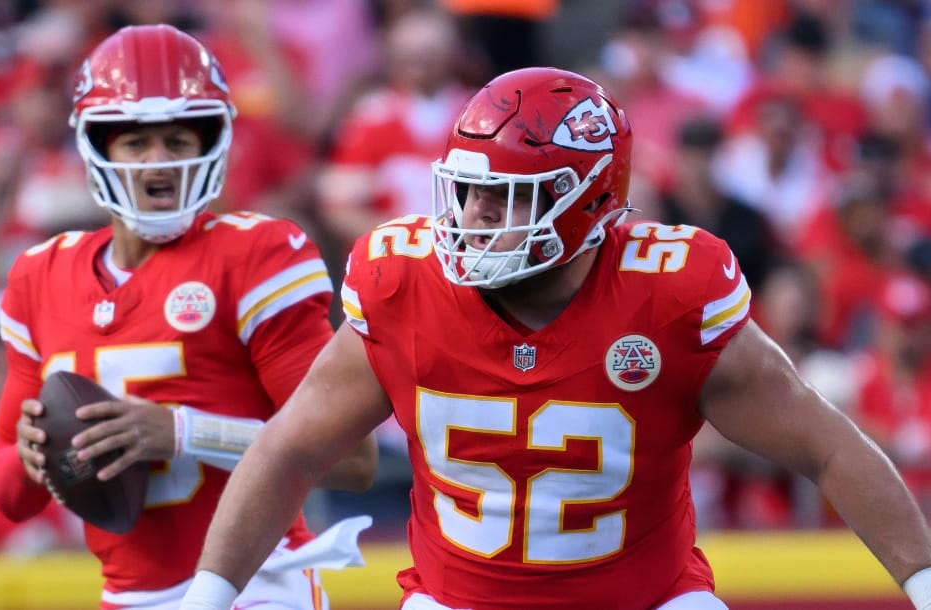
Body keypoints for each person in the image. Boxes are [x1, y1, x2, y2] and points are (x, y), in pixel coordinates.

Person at [179, 68, 931, 610]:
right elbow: (291, 449)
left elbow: (827, 447)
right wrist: (203, 603)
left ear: (588, 203)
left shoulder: (668, 291)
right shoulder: (403, 281)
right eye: (466, 190)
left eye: (501, 199)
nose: (470, 216)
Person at [0, 24, 378, 610]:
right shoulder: (41, 275)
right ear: (99, 148)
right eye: (136, 143)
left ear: (211, 142)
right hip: (125, 595)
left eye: (177, 140)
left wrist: (180, 432)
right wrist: (32, 454)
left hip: (257, 585)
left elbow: (350, 458)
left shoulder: (256, 255)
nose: (158, 163)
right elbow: (10, 496)